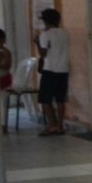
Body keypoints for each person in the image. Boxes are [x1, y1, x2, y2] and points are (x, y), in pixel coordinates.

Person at [36, 8, 70, 136]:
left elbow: (43, 54)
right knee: (60, 99)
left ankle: (52, 125)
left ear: (46, 21)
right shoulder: (65, 33)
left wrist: (37, 42)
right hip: (64, 69)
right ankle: (60, 125)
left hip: (50, 69)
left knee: (45, 99)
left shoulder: (45, 35)